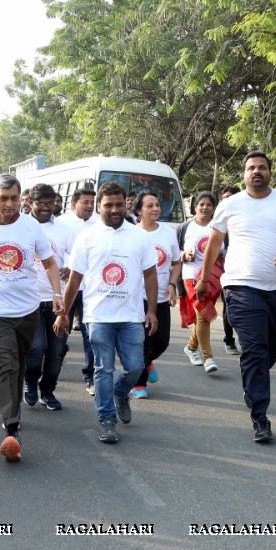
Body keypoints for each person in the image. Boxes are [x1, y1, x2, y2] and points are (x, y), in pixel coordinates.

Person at [197, 152, 276, 443]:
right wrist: (203, 279)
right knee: (256, 349)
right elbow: (214, 243)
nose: (256, 171)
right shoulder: (230, 204)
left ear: (270, 172)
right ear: (243, 174)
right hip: (240, 288)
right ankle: (260, 417)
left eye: (261, 167)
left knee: (272, 349)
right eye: (251, 168)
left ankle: (252, 383)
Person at [0, 174, 63, 462]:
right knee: (7, 364)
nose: (9, 204)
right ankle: (11, 428)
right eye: (3, 198)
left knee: (22, 363)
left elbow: (49, 263)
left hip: (28, 312)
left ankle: (14, 411)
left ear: (21, 199)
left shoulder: (31, 226)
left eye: (14, 198)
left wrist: (57, 294)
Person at [56, 182, 157, 443]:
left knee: (135, 366)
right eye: (108, 204)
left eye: (119, 204)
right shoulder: (87, 238)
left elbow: (149, 275)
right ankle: (106, 418)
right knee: (103, 368)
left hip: (131, 316)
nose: (114, 209)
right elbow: (75, 279)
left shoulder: (140, 237)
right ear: (99, 206)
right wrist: (64, 313)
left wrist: (152, 311)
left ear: (126, 205)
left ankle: (121, 393)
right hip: (98, 317)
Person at [23, 184, 75, 411]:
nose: (45, 208)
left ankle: (48, 390)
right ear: (30, 203)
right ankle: (30, 383)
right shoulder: (20, 226)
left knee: (57, 352)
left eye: (49, 203)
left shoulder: (64, 229)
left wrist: (71, 267)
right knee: (35, 349)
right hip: (29, 301)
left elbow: (77, 255)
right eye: (40, 204)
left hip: (58, 300)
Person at [130, 190, 181, 399]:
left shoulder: (168, 233)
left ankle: (148, 363)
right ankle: (138, 384)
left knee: (162, 342)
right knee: (144, 342)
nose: (155, 209)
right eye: (149, 206)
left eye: (157, 205)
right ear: (139, 210)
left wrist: (172, 284)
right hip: (138, 297)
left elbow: (176, 262)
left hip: (161, 297)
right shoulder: (132, 233)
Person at [58, 185, 97, 394]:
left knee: (89, 334)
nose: (89, 206)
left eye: (92, 202)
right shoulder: (62, 224)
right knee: (61, 333)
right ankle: (54, 364)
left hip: (90, 289)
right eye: (85, 202)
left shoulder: (99, 224)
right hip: (68, 288)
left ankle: (90, 376)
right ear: (74, 204)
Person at [180, 191, 219, 373]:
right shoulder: (185, 227)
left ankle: (191, 346)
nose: (205, 207)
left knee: (203, 315)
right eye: (201, 204)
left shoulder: (219, 227)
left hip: (214, 277)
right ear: (194, 207)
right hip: (191, 276)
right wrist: (184, 255)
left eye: (209, 204)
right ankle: (208, 357)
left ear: (213, 208)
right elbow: (175, 252)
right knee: (203, 314)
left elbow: (226, 250)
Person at [218, 185, 241, 355]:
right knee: (228, 306)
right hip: (223, 273)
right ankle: (229, 339)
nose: (226, 201)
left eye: (230, 197)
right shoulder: (217, 223)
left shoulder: (245, 220)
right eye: (223, 197)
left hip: (244, 271)